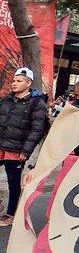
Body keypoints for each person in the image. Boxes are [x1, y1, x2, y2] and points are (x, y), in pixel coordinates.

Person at [0, 67, 48, 226]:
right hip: (1, 144)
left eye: (18, 81)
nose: (14, 83)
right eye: (13, 80)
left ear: (28, 83)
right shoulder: (6, 99)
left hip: (16, 150)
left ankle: (10, 213)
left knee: (13, 182)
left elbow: (37, 129)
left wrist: (26, 151)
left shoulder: (37, 103)